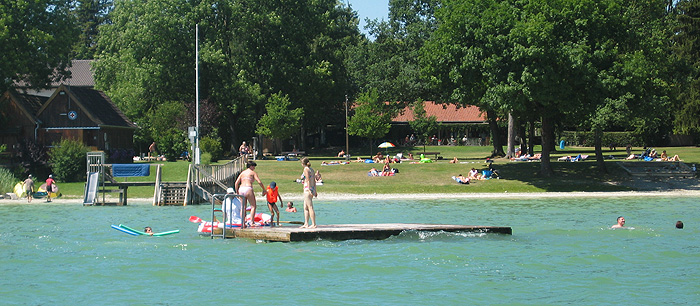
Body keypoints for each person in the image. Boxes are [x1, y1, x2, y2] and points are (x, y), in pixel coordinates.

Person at [234, 161, 266, 228]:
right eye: (254, 166)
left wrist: (237, 191)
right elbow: (259, 181)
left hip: (241, 189)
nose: (254, 168)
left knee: (243, 207)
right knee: (253, 206)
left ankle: (243, 222)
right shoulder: (252, 173)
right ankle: (252, 222)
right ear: (251, 166)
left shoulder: (242, 173)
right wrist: (264, 189)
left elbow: (236, 183)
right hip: (248, 188)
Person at [300, 157, 317, 228]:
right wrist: (315, 190)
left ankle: (313, 224)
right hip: (312, 188)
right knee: (305, 207)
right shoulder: (312, 170)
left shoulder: (306, 169)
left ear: (303, 163)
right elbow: (314, 181)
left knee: (310, 207)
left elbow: (308, 180)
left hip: (308, 189)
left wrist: (309, 189)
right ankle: (306, 223)